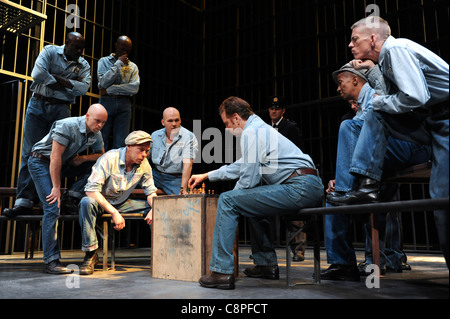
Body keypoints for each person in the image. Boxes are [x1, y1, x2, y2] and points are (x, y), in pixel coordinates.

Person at [330, 16, 449, 269]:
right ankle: (367, 186)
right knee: (377, 110)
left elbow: (415, 96)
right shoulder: (385, 59)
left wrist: (377, 102)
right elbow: (390, 99)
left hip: (444, 120)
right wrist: (372, 72)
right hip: (433, 122)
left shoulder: (396, 48)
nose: (350, 45)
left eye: (355, 39)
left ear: (373, 38)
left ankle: (365, 186)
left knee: (443, 198)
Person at [188, 96, 324, 289]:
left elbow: (247, 180)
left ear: (236, 118)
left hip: (299, 187)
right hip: (307, 184)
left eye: (227, 124)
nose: (227, 129)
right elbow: (242, 165)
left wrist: (232, 201)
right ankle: (266, 264)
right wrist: (207, 175)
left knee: (228, 200)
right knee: (251, 204)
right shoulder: (259, 129)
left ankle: (221, 272)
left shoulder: (252, 132)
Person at [322, 64, 431, 281]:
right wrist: (342, 175)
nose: (338, 88)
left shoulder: (375, 94)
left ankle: (346, 191)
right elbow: (358, 148)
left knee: (348, 127)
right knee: (332, 199)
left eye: (340, 81)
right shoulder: (359, 109)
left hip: (408, 143)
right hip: (381, 155)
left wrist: (346, 182)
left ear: (355, 80)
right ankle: (343, 264)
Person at [3, 32, 91, 218]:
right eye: (76, 47)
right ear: (66, 43)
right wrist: (67, 85)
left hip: (61, 110)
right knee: (30, 152)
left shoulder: (83, 65)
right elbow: (37, 74)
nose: (79, 51)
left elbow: (83, 89)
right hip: (38, 105)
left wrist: (53, 78)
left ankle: (48, 200)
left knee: (56, 155)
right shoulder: (49, 52)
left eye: (81, 48)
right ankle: (24, 201)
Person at [27, 104, 108, 274]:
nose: (100, 125)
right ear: (87, 116)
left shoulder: (96, 133)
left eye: (103, 122)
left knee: (93, 166)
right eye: (97, 121)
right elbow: (55, 158)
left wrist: (83, 158)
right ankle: (51, 260)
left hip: (63, 164)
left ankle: (72, 195)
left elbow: (102, 155)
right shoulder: (67, 125)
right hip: (41, 162)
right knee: (52, 207)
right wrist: (56, 188)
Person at [78, 130, 157, 275]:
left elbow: (150, 192)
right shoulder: (109, 158)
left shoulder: (144, 164)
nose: (144, 155)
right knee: (86, 202)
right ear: (129, 146)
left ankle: (159, 255)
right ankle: (91, 255)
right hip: (102, 203)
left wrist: (155, 208)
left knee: (161, 208)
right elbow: (91, 191)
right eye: (141, 150)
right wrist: (114, 212)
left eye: (147, 151)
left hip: (123, 203)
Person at [267, 96, 306, 262]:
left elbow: (299, 152)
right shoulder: (265, 129)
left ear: (283, 111)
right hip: (270, 174)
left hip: (289, 173)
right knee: (265, 213)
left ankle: (298, 250)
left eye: (277, 108)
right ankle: (264, 251)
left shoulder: (290, 127)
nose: (273, 110)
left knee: (295, 214)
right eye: (271, 108)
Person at [98, 35, 140, 150]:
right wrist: (118, 64)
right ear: (116, 46)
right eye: (122, 49)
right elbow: (102, 83)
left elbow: (134, 88)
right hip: (106, 102)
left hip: (124, 103)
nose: (124, 52)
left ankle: (117, 167)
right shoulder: (104, 61)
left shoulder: (133, 67)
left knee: (121, 142)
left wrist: (110, 90)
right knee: (101, 138)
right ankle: (100, 166)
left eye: (127, 50)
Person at [150, 107, 198, 195]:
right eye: (170, 121)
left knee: (182, 202)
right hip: (155, 175)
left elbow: (188, 164)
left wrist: (183, 189)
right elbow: (144, 157)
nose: (174, 124)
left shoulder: (189, 137)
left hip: (174, 178)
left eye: (177, 120)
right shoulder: (155, 135)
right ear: (163, 122)